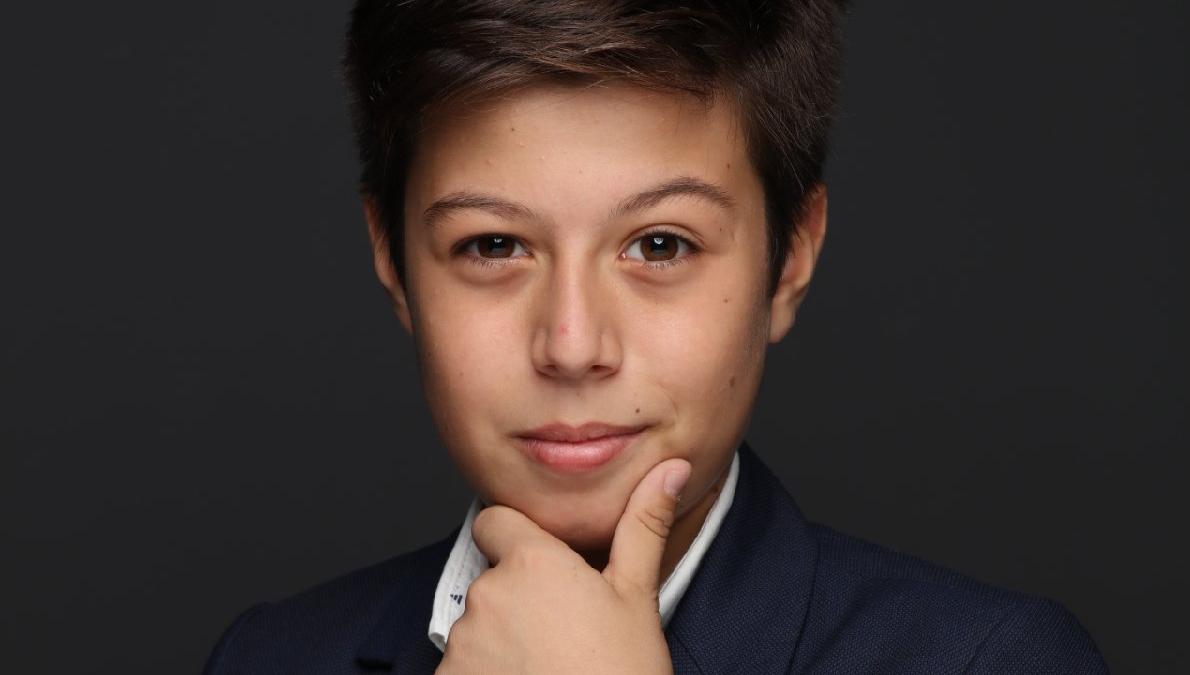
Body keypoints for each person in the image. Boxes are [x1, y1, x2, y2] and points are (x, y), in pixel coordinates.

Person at [204, 1, 1108, 672]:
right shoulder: (271, 656)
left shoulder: (992, 660)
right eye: (493, 245)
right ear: (393, 261)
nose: (572, 344)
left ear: (790, 258)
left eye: (661, 245)